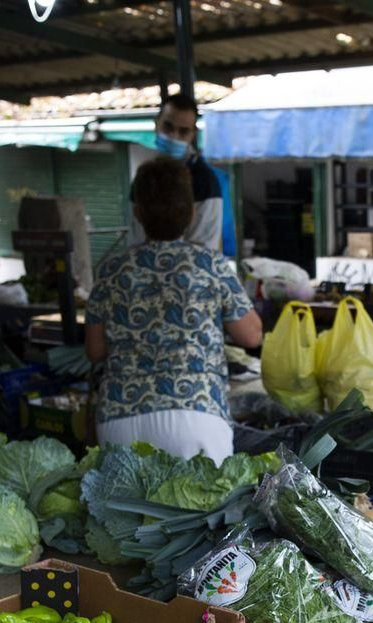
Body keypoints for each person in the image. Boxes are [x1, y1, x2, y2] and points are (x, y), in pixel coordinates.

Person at [86, 158, 262, 460]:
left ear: (138, 213)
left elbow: (95, 349)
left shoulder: (110, 270)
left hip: (121, 421)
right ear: (192, 213)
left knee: (126, 508)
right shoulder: (211, 265)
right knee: (205, 506)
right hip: (197, 416)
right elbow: (250, 336)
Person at [128, 92, 224, 253]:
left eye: (183, 131)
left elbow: (205, 247)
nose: (174, 136)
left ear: (193, 134)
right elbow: (135, 236)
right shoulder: (143, 178)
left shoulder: (204, 181)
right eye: (168, 127)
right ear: (156, 124)